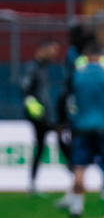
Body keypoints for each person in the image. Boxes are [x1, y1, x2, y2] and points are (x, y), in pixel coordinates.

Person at [58, 30, 104, 218]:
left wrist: (63, 121)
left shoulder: (77, 74)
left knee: (79, 169)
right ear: (101, 55)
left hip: (81, 128)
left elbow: (64, 98)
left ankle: (76, 209)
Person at [21, 39, 69, 195]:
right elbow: (26, 93)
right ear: (43, 49)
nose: (55, 54)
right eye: (52, 50)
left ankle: (33, 182)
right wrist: (38, 113)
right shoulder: (32, 68)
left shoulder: (42, 68)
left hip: (45, 116)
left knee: (42, 146)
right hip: (40, 118)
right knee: (60, 141)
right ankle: (76, 175)